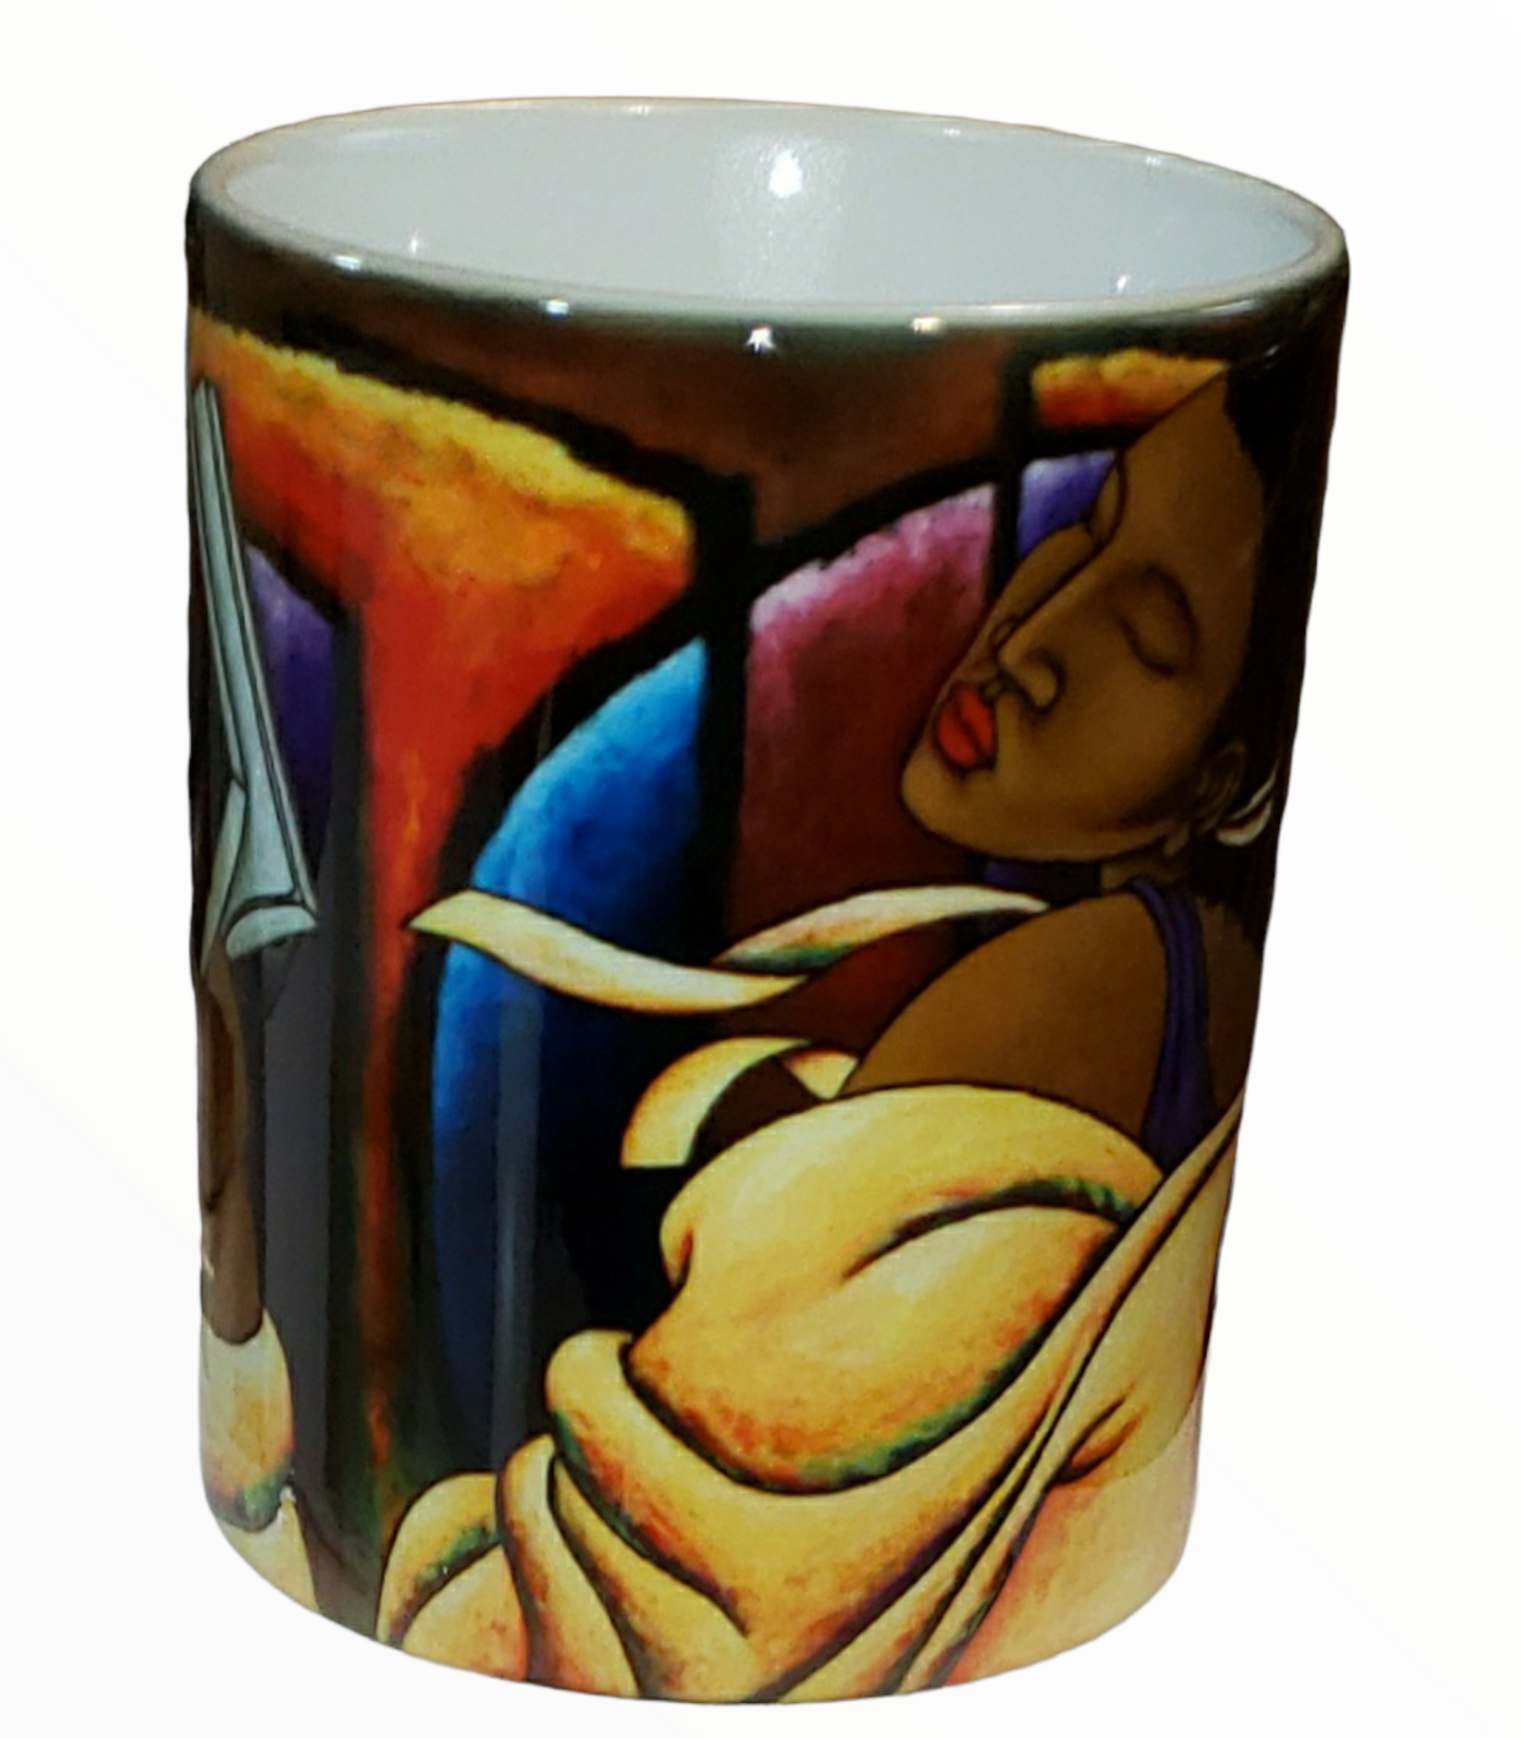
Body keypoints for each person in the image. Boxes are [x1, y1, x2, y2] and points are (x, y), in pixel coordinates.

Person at [375, 358, 1325, 1698]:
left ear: (1228, 775)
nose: (1036, 634)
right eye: (1090, 534)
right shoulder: (1174, 982)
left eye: (1147, 632)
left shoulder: (1065, 989)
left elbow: (683, 1538)